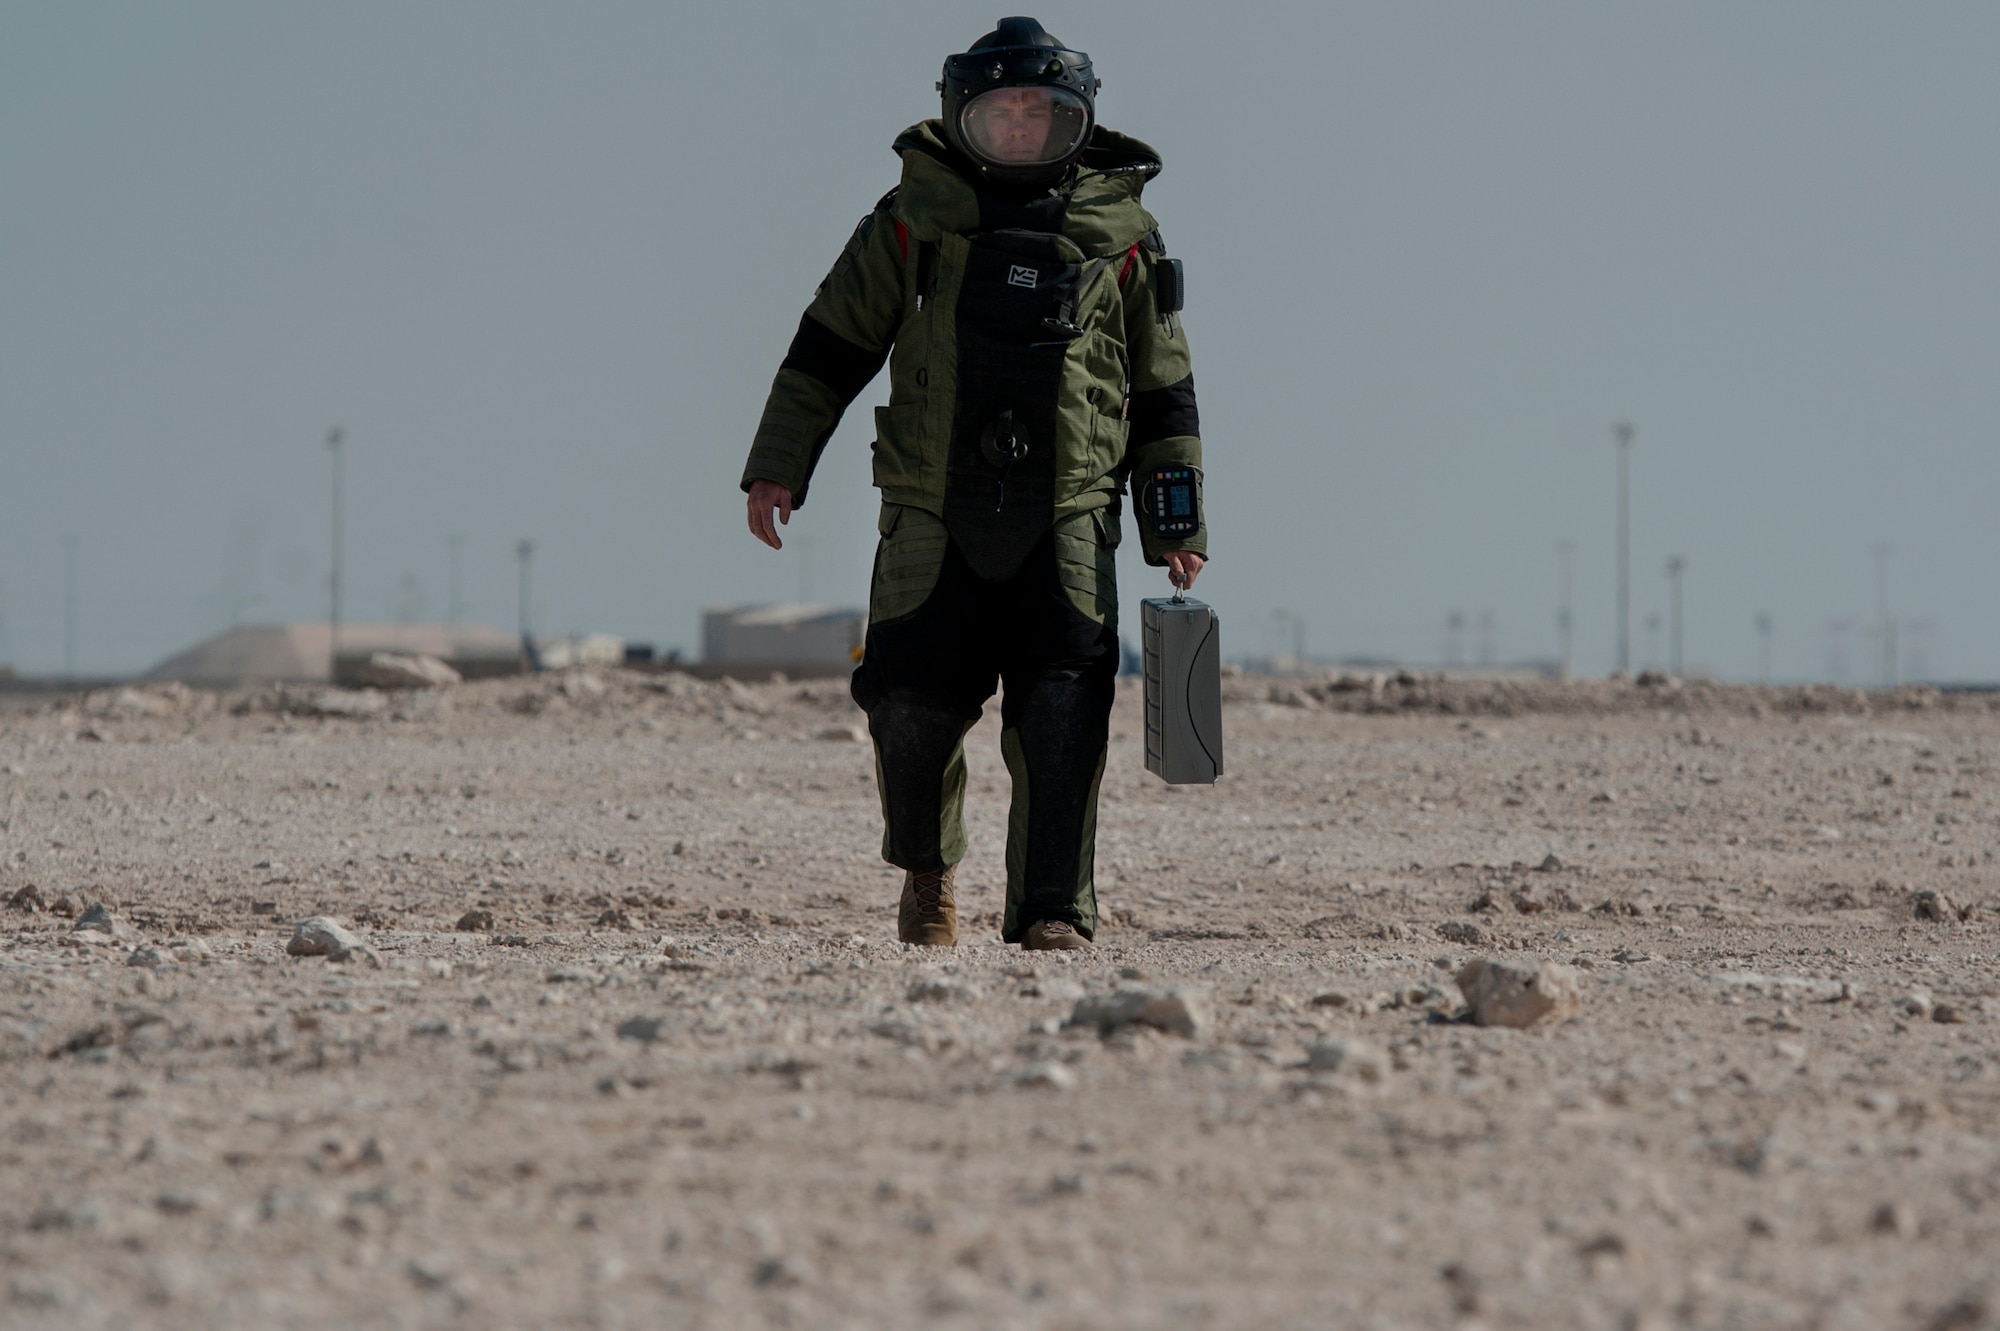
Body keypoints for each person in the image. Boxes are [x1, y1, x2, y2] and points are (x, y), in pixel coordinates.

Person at [742, 16, 1206, 950]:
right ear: (964, 117)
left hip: (1070, 517)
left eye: (1043, 114)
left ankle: (1051, 912)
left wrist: (1176, 523)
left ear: (1078, 121)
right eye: (1003, 115)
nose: (1023, 131)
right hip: (930, 508)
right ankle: (927, 875)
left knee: (1065, 715)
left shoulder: (1126, 239)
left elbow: (1165, 389)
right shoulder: (914, 218)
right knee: (906, 704)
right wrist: (778, 465)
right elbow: (830, 344)